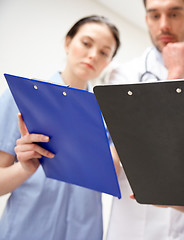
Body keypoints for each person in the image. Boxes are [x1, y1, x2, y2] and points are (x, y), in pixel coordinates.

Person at [105, 0, 184, 239]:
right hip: (131, 224)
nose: (164, 25)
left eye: (174, 14)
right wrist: (175, 75)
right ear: (146, 20)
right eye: (154, 16)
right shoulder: (123, 74)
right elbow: (131, 147)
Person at [0, 15, 120, 240]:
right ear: (68, 42)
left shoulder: (108, 115)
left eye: (104, 52)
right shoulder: (23, 98)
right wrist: (24, 168)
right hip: (25, 231)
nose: (93, 55)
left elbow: (115, 172)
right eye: (86, 43)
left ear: (108, 63)